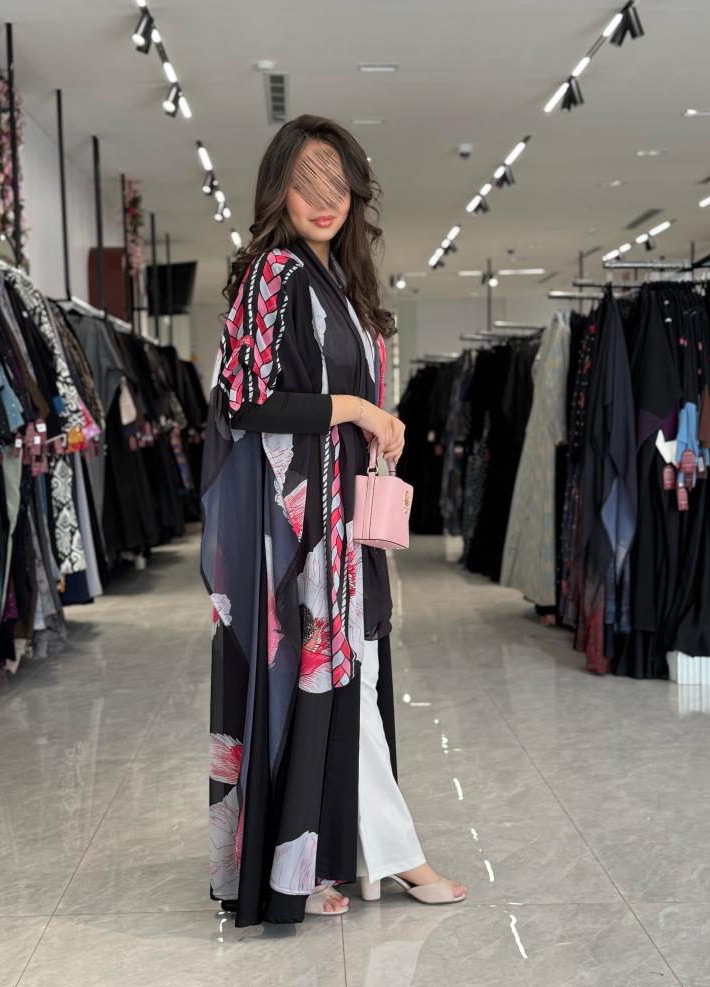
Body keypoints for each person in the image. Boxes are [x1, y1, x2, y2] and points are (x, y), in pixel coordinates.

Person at [199, 114, 466, 926]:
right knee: (336, 677)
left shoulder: (336, 283)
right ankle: (389, 854)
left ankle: (331, 858)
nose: (325, 198)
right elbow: (247, 401)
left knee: (355, 678)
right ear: (278, 189)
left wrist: (380, 423)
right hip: (302, 529)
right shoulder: (275, 273)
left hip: (339, 519)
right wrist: (357, 408)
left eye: (338, 183)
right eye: (306, 181)